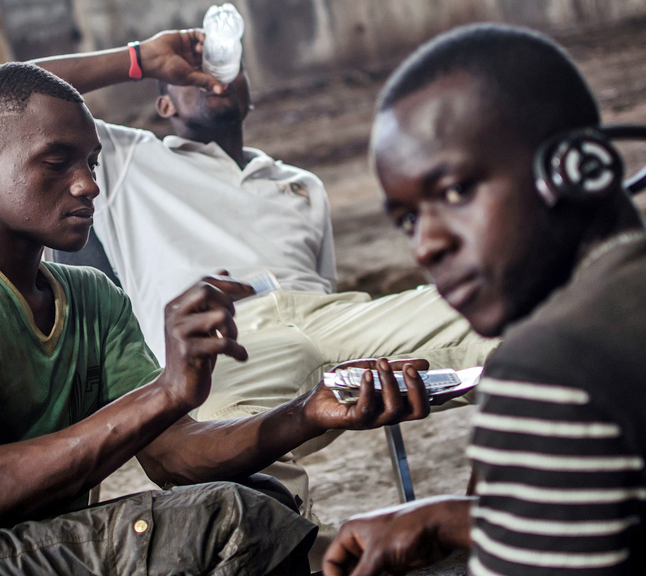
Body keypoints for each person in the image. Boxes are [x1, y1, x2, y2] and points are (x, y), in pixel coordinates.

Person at [0, 29, 436, 576]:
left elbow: (176, 456)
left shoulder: (91, 299)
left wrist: (309, 410)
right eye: (56, 163)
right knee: (225, 518)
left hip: (17, 547)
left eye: (89, 161)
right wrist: (167, 389)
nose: (88, 182)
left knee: (257, 495)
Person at [322, 23, 646, 576]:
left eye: (454, 192)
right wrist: (461, 517)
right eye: (408, 219)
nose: (426, 245)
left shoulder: (550, 365)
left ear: (578, 166)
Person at [32, 46, 498, 518]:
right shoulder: (125, 160)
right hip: (221, 344)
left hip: (332, 319)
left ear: (249, 95)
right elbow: (14, 90)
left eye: (222, 67)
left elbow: (325, 284)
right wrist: (142, 58)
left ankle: (501, 521)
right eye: (191, 73)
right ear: (165, 106)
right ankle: (300, 550)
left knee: (506, 318)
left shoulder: (302, 185)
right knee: (221, 461)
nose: (212, 75)